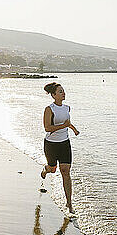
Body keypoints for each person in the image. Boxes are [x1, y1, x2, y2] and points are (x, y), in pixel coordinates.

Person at [41, 82, 79, 214]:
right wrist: (64, 126)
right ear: (53, 95)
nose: (63, 93)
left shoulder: (67, 108)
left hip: (64, 143)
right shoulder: (49, 109)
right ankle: (46, 169)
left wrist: (73, 129)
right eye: (60, 91)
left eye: (63, 91)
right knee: (53, 169)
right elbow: (47, 128)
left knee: (65, 171)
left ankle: (69, 203)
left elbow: (67, 122)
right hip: (51, 144)